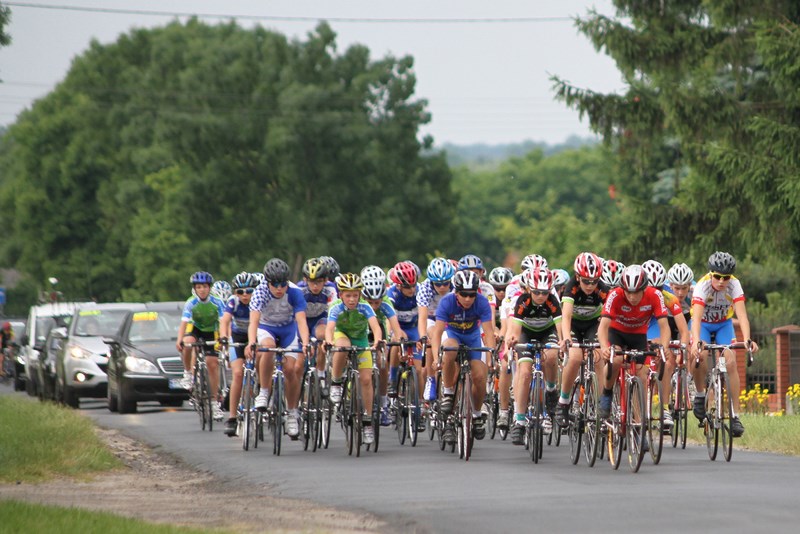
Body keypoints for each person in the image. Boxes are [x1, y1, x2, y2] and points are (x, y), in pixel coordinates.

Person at [690, 251, 759, 437]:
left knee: (730, 362)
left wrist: (747, 339)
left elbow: (742, 315)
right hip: (703, 325)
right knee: (700, 354)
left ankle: (735, 415)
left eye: (725, 277)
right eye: (718, 277)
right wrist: (696, 341)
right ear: (711, 274)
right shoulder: (702, 286)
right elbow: (695, 320)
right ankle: (699, 394)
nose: (721, 281)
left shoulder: (735, 285)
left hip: (723, 325)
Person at [598, 265, 671, 432]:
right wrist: (604, 348)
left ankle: (638, 425)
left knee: (642, 375)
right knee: (615, 360)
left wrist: (664, 348)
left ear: (644, 288)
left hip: (638, 336)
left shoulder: (655, 295)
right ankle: (607, 393)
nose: (631, 296)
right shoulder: (615, 294)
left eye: (636, 292)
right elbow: (602, 328)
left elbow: (664, 327)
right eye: (628, 292)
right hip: (616, 333)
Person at [245, 258, 310, 439]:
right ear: (268, 282)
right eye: (275, 284)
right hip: (267, 328)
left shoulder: (295, 292)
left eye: (282, 284)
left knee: (291, 370)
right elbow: (254, 321)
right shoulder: (260, 292)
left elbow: (301, 321)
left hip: (288, 330)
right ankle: (264, 391)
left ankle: (292, 413)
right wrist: (251, 342)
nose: (279, 288)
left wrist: (305, 343)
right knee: (267, 347)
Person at [429, 270, 495, 442]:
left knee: (480, 375)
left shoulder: (481, 302)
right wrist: (436, 358)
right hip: (453, 335)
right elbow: (437, 333)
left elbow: (488, 333)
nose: (467, 299)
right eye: (463, 294)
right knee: (450, 348)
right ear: (456, 292)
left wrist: (491, 359)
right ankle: (449, 392)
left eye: (471, 294)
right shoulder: (447, 302)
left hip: (472, 337)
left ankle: (476, 414)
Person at [505, 267, 564, 445]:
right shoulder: (522, 302)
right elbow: (516, 330)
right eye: (537, 292)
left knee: (552, 355)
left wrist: (563, 341)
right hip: (526, 334)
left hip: (547, 332)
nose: (540, 296)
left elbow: (560, 327)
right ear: (529, 289)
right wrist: (513, 340)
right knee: (524, 373)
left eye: (544, 293)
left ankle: (551, 390)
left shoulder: (553, 302)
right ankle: (520, 421)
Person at [325, 273, 383, 445]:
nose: (351, 299)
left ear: (360, 295)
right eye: (348, 295)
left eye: (355, 295)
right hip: (341, 335)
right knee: (342, 345)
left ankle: (367, 422)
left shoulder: (365, 307)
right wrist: (328, 341)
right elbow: (329, 328)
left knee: (366, 379)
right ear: (341, 294)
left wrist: (378, 340)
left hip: (361, 340)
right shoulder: (335, 307)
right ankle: (336, 382)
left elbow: (375, 327)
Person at [555, 252, 609, 428]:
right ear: (578, 277)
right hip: (574, 326)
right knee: (576, 357)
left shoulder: (602, 289)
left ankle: (601, 406)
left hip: (593, 325)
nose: (590, 285)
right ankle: (563, 403)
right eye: (586, 281)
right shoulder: (571, 287)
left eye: (594, 281)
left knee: (600, 356)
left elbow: (610, 316)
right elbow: (566, 317)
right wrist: (566, 339)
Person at [642, 259, 690, 429]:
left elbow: (684, 330)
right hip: (636, 325)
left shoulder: (669, 297)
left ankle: (664, 409)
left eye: (659, 289)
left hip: (655, 324)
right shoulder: (629, 295)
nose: (655, 293)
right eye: (650, 289)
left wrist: (682, 352)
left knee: (667, 360)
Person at [177, 271, 227, 421]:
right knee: (188, 344)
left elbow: (223, 322)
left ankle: (213, 402)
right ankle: (188, 373)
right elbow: (185, 323)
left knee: (212, 364)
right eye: (198, 287)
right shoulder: (191, 302)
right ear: (195, 289)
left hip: (213, 331)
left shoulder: (217, 302)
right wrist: (180, 339)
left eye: (204, 286)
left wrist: (223, 339)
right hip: (196, 330)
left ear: (209, 288)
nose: (202, 290)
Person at [361, 264, 406, 426]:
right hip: (360, 330)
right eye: (370, 302)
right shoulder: (357, 301)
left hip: (377, 330)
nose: (374, 305)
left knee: (382, 363)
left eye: (376, 302)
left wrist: (399, 340)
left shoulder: (385, 301)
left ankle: (383, 403)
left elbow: (393, 325)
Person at [219, 272, 258, 436]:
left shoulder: (258, 302)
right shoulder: (233, 302)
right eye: (240, 292)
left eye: (249, 291)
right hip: (237, 338)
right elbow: (225, 320)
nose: (245, 295)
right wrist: (223, 337)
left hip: (254, 337)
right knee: (237, 373)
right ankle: (233, 417)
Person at [417, 257, 456, 401]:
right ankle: (430, 379)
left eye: (446, 283)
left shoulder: (456, 287)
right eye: (438, 284)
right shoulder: (425, 287)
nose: (442, 287)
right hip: (432, 318)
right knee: (431, 335)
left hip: (449, 319)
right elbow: (422, 317)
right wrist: (422, 336)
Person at [297, 257, 336, 396]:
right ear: (305, 279)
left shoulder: (331, 289)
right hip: (302, 320)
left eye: (319, 282)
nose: (315, 286)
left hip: (320, 319)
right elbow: (296, 316)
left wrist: (329, 337)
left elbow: (333, 313)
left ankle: (321, 375)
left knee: (322, 335)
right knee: (299, 360)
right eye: (312, 282)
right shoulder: (300, 289)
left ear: (326, 280)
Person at [386, 261, 424, 400]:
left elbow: (423, 317)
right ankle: (393, 378)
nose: (412, 290)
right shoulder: (392, 293)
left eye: (414, 285)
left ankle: (420, 404)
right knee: (397, 340)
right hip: (398, 326)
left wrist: (422, 335)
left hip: (414, 328)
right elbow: (389, 318)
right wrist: (392, 334)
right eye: (408, 287)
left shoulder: (420, 290)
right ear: (399, 285)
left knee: (419, 370)